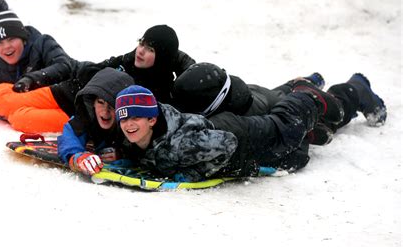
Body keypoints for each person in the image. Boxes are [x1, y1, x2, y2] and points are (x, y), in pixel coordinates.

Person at [114, 83, 363, 182]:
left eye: (136, 117)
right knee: (298, 152)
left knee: (298, 121)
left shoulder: (181, 143)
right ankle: (309, 130)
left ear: (152, 119)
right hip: (239, 134)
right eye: (124, 119)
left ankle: (344, 92)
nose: (129, 125)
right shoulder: (141, 139)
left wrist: (190, 174)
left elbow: (227, 143)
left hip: (254, 137)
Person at [171, 62, 387, 145]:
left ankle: (356, 88)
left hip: (264, 103)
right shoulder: (226, 101)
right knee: (277, 94)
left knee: (333, 112)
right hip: (254, 94)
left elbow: (277, 127)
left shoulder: (240, 118)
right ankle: (304, 82)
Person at [0, 0, 85, 133]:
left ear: (23, 38)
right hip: (60, 111)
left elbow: (64, 66)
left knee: (9, 102)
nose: (6, 47)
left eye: (11, 39)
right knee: (18, 117)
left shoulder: (42, 44)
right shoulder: (0, 73)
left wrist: (32, 79)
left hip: (77, 90)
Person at [57, 68, 134, 176]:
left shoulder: (130, 123)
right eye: (101, 102)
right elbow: (69, 137)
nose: (105, 111)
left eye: (112, 106)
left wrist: (122, 155)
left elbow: (140, 150)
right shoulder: (86, 116)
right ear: (93, 103)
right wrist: (78, 157)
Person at [97, 24, 195, 104]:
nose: (140, 51)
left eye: (150, 50)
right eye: (141, 43)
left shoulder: (164, 95)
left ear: (161, 59)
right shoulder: (121, 64)